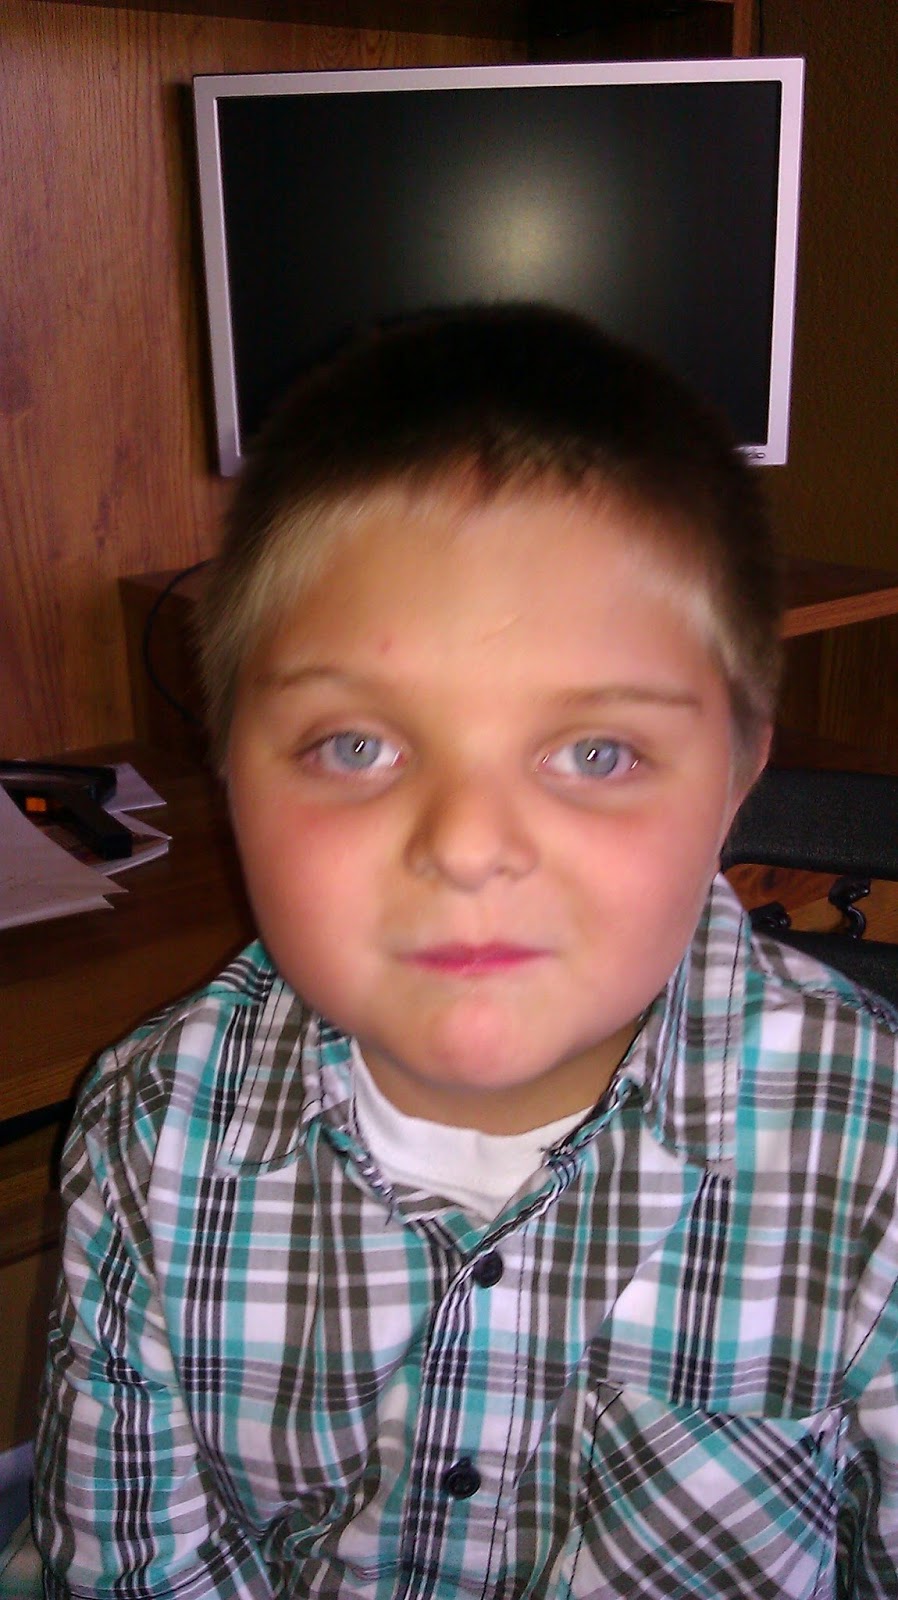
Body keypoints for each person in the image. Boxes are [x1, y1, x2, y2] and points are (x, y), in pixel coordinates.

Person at [34, 304, 898, 1599]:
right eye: (357, 745)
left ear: (734, 776)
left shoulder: (876, 1156)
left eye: (594, 751)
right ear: (227, 771)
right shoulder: (149, 1131)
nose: (469, 846)